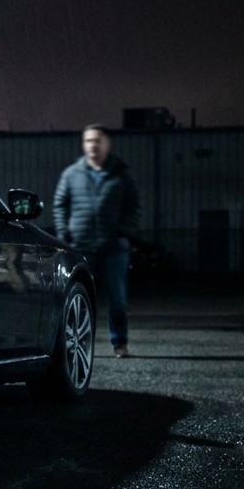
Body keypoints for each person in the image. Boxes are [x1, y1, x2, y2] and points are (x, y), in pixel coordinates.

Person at [53, 124, 141, 357]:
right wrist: (65, 233)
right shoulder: (72, 174)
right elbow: (60, 203)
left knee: (118, 302)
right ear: (84, 145)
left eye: (97, 141)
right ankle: (76, 343)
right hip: (81, 248)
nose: (93, 145)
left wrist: (123, 231)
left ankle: (119, 343)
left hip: (114, 248)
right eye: (88, 141)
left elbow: (134, 206)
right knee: (77, 299)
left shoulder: (121, 174)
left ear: (106, 144)